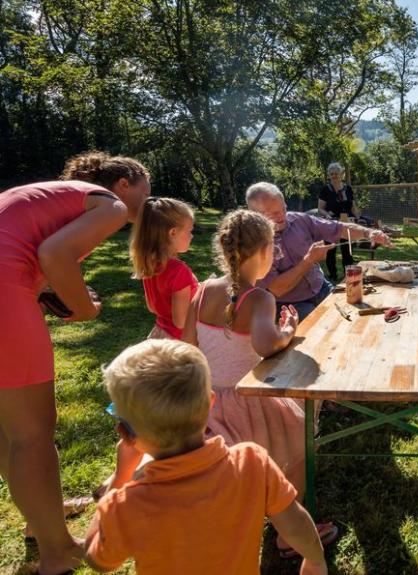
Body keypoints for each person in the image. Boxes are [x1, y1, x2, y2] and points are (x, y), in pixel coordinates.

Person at [0, 151, 150, 574]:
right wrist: (84, 309)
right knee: (32, 434)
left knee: (8, 430)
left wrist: (56, 296)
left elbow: (37, 257)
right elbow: (54, 254)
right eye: (146, 189)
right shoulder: (111, 205)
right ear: (124, 183)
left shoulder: (52, 196)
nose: (147, 200)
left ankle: (40, 519)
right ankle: (57, 552)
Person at [84, 339, 327, 575]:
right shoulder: (252, 463)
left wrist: (120, 476)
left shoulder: (126, 505)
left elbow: (98, 560)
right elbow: (295, 524)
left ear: (125, 434)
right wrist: (315, 561)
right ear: (211, 403)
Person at [181, 209, 338, 557]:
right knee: (296, 450)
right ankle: (289, 532)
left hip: (208, 401)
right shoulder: (260, 298)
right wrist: (288, 330)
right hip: (249, 398)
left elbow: (187, 343)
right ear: (266, 251)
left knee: (234, 473)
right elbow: (266, 345)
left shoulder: (203, 290)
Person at [244, 182, 394, 321]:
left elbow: (338, 228)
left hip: (321, 287)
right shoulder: (254, 244)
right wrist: (309, 260)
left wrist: (368, 233)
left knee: (351, 318)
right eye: (274, 213)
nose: (282, 215)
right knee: (323, 330)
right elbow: (277, 289)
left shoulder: (299, 220)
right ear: (256, 215)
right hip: (289, 304)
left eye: (283, 208)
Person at [130, 197, 198, 339]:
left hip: (159, 334)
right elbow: (181, 322)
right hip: (179, 342)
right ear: (173, 233)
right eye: (189, 231)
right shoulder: (179, 271)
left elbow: (152, 307)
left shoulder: (150, 264)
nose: (192, 236)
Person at [317, 162, 359, 282]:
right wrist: (326, 214)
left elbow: (353, 206)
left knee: (347, 250)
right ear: (329, 175)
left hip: (347, 223)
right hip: (331, 224)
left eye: (337, 173)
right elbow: (320, 208)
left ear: (342, 174)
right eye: (332, 174)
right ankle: (333, 275)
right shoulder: (326, 189)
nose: (334, 176)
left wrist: (358, 218)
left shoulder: (348, 189)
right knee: (331, 250)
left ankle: (349, 275)